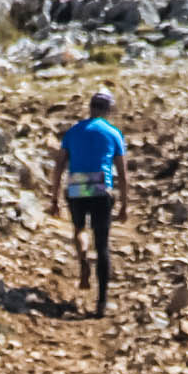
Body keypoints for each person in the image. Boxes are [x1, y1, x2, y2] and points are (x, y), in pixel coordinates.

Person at [59, 87, 131, 318]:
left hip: (77, 186)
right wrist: (124, 205)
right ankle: (101, 303)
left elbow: (59, 165)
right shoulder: (113, 133)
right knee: (102, 246)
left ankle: (82, 257)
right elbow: (122, 172)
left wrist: (53, 197)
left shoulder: (73, 131)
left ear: (90, 107)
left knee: (79, 229)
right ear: (108, 110)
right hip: (101, 188)